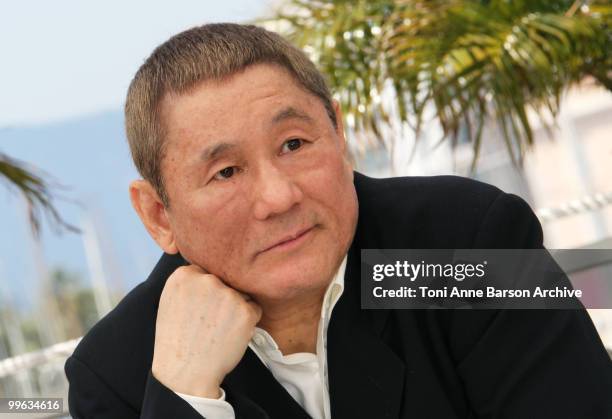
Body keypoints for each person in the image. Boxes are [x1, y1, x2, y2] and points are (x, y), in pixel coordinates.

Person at [64, 23, 612, 418]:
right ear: (159, 215)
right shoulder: (120, 373)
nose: (278, 197)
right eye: (227, 172)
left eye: (294, 143)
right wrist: (187, 397)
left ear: (340, 134)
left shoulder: (462, 246)